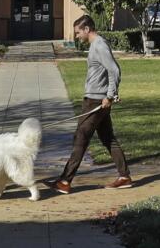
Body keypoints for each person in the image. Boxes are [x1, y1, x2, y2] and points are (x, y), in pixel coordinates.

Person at [55, 15, 132, 192]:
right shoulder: (95, 45)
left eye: (78, 33)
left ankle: (65, 182)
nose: (77, 36)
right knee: (108, 139)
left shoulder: (99, 45)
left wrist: (110, 96)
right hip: (96, 98)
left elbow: (114, 70)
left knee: (80, 139)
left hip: (96, 101)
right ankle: (124, 176)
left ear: (87, 29)